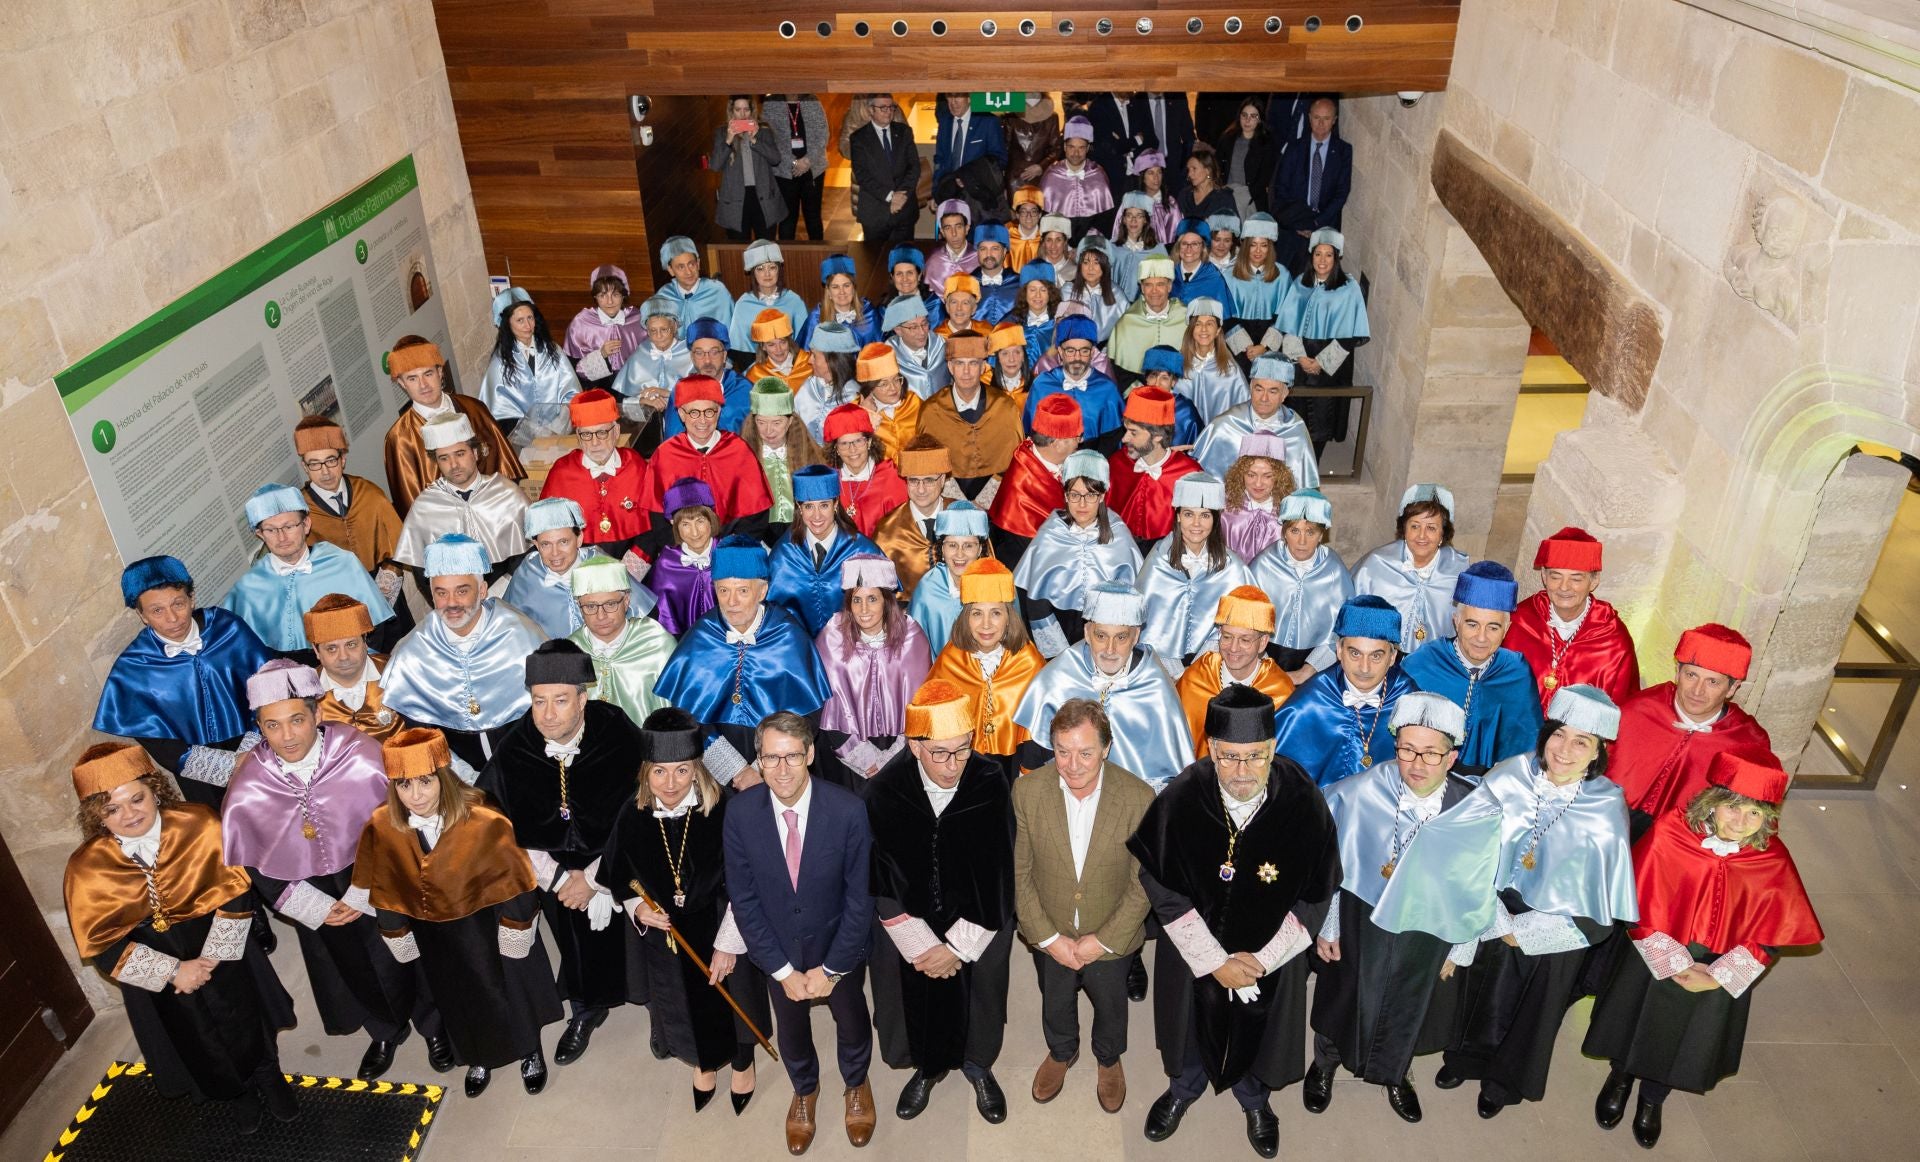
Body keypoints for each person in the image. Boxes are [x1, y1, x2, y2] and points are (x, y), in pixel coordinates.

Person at [1390, 686, 1636, 1119]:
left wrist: (1524, 933)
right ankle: (1462, 1060)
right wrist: (1495, 917)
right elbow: (1464, 850)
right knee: (1473, 995)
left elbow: (1600, 905)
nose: (1565, 749)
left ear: (1598, 752)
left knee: (1529, 1011)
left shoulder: (1606, 806)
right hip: (1490, 909)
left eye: (1582, 742)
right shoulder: (1509, 775)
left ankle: (1503, 1083)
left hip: (1555, 928)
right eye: (1559, 735)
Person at [1128, 685, 1338, 1159]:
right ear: (1212, 750)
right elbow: (1158, 880)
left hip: (1268, 957)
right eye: (1228, 758)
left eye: (1255, 757)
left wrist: (1261, 962)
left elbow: (1317, 892)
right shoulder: (1183, 794)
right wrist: (1211, 959)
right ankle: (1183, 1088)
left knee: (1257, 1032)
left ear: (1272, 749)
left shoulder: (1303, 800)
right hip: (1194, 952)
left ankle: (1255, 1101)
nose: (1242, 772)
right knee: (1188, 1025)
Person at [1582, 752, 1823, 1149]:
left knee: (1684, 1034)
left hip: (1718, 967)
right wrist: (1671, 960)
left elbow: (1773, 932)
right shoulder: (1669, 833)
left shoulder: (1771, 859)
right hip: (1654, 954)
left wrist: (1717, 975)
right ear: (1712, 801)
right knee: (1633, 1019)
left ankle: (1653, 1097)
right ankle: (1621, 1076)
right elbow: (1634, 900)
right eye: (1732, 808)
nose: (1740, 823)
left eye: (1753, 814)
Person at [223, 659, 440, 1081]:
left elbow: (401, 824)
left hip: (378, 875)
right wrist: (313, 906)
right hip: (313, 891)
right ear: (259, 728)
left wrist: (363, 891)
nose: (286, 737)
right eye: (272, 726)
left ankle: (434, 1024)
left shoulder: (359, 753)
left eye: (296, 721)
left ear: (317, 715)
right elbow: (255, 861)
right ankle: (383, 1028)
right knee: (352, 964)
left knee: (407, 948)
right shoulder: (250, 783)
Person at [63, 742, 299, 1132]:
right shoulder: (86, 869)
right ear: (97, 816)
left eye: (136, 799)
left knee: (248, 1016)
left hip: (223, 945)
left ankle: (269, 1076)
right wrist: (174, 971)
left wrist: (216, 955)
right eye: (112, 809)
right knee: (196, 1036)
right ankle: (237, 1093)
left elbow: (238, 891)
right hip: (159, 965)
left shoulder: (199, 824)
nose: (129, 814)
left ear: (155, 790)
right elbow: (102, 946)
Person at [353, 727, 563, 1098]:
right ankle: (477, 1054)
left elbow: (515, 879)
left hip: (488, 924)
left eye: (425, 783)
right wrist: (395, 931)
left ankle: (529, 1049)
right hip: (435, 932)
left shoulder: (483, 817)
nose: (415, 796)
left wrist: (515, 927)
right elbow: (384, 888)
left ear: (443, 777)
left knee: (511, 989)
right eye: (404, 786)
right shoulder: (383, 826)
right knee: (456, 996)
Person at [1304, 692, 1479, 1124]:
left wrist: (1460, 948)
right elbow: (1329, 866)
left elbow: (1479, 884)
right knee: (1345, 991)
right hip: (1362, 919)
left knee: (1409, 1000)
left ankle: (1395, 1071)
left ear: (1453, 757)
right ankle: (1325, 1061)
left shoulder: (1474, 808)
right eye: (1406, 749)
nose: (1417, 764)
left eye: (1432, 753)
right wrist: (1329, 924)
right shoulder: (1358, 793)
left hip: (1428, 927)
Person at [479, 640, 643, 1067]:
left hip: (617, 858)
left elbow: (642, 806)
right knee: (576, 945)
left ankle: (660, 1011)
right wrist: (556, 877)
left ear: (583, 699)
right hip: (552, 868)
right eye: (538, 701)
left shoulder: (616, 731)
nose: (548, 714)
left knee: (640, 940)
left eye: (560, 701)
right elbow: (492, 815)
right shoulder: (517, 745)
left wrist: (597, 876)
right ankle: (586, 1010)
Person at [722, 713, 879, 1154]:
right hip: (777, 950)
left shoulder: (848, 810)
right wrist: (781, 970)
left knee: (851, 1021)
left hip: (838, 946)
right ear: (759, 759)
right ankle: (804, 1090)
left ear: (810, 754)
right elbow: (745, 900)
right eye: (771, 758)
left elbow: (859, 898)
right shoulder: (740, 814)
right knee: (790, 1030)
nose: (783, 769)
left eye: (793, 756)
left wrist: (833, 968)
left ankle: (856, 1082)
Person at [601, 708, 769, 1113]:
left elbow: (747, 882)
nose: (670, 783)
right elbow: (618, 872)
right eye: (659, 772)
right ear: (646, 772)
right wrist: (638, 907)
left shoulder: (725, 810)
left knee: (734, 993)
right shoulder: (633, 813)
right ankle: (704, 1060)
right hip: (667, 933)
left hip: (723, 921)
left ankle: (743, 1061)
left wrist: (730, 943)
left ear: (697, 768)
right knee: (682, 1000)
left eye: (681, 771)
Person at [865, 681, 1016, 1123]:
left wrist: (956, 948)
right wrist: (922, 947)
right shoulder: (885, 791)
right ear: (914, 745)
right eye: (940, 753)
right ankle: (927, 1069)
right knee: (917, 999)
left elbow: (1000, 867)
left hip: (979, 917)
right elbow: (879, 875)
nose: (953, 766)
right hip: (912, 922)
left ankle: (978, 1065)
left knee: (981, 993)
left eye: (963, 750)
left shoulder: (988, 781)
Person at [1013, 699, 1153, 1113]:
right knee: (1054, 999)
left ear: (1106, 748)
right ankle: (1062, 1051)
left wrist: (1104, 941)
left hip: (1112, 933)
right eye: (1062, 751)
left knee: (1111, 1004)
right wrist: (1049, 937)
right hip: (1050, 929)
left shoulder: (1138, 797)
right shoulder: (1027, 791)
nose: (1072, 764)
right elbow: (1020, 873)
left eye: (1085, 752)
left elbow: (1142, 884)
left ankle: (1108, 1059)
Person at [96, 556, 273, 807]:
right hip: (198, 771)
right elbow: (159, 742)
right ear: (142, 615)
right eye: (157, 611)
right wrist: (226, 768)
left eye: (178, 603)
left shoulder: (227, 628)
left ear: (192, 599)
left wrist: (251, 751)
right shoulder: (134, 667)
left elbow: (267, 684)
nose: (172, 618)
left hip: (256, 741)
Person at [654, 537, 832, 780]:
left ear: (762, 591)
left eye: (742, 591)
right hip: (715, 772)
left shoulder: (789, 636)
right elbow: (687, 716)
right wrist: (735, 770)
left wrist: (763, 767)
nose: (732, 602)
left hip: (779, 769)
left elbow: (807, 716)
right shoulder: (702, 634)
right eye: (723, 590)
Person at [380, 534, 544, 771]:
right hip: (453, 771)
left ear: (482, 590)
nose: (451, 603)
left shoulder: (521, 635)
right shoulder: (412, 652)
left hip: (524, 761)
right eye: (441, 592)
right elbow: (418, 730)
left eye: (462, 591)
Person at [1014, 582, 1195, 790]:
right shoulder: (1057, 677)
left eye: (1121, 637)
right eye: (1101, 636)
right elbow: (1032, 762)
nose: (1110, 649)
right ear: (1087, 633)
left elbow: (1172, 775)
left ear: (1135, 636)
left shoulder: (1156, 687)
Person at [1608, 624, 1769, 836]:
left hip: (1682, 848)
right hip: (1610, 828)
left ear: (1732, 688)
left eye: (1712, 682)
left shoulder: (1748, 743)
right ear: (1677, 672)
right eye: (1691, 675)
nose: (1697, 691)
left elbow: (1746, 822)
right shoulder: (1634, 711)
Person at [1400, 562, 1545, 773]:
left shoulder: (1517, 671)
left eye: (1493, 627)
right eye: (1472, 624)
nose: (1481, 637)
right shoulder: (1421, 664)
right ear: (1455, 621)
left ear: (1507, 629)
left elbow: (1527, 748)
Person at [221, 484, 394, 654]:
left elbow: (376, 629)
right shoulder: (248, 588)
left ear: (306, 525)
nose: (281, 537)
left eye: (289, 527)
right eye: (271, 530)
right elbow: (243, 653)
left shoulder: (342, 563)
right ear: (260, 534)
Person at [1272, 596, 1416, 787]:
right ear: (1339, 650)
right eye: (1355, 653)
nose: (1364, 668)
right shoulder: (1309, 703)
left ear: (1392, 657)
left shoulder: (1410, 701)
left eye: (1376, 656)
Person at [1014, 451, 1143, 656]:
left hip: (1105, 639)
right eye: (1075, 495)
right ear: (1065, 495)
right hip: (1057, 636)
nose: (1082, 504)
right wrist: (1059, 653)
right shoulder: (1050, 534)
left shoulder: (1119, 536)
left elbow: (1131, 600)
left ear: (1102, 496)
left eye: (1090, 495)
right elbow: (1035, 599)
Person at [816, 556, 932, 783]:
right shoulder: (832, 636)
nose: (863, 609)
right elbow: (827, 707)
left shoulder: (911, 635)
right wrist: (865, 759)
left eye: (872, 599)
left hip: (903, 749)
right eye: (856, 600)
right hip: (845, 752)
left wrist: (894, 757)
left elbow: (922, 703)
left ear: (887, 601)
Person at [381, 337, 525, 516]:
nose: (423, 385)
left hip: (495, 512)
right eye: (412, 378)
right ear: (402, 383)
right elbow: (414, 509)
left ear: (440, 371)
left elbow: (506, 468)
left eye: (428, 373)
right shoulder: (400, 438)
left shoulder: (474, 409)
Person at [1506, 527, 1642, 709]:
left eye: (1576, 579)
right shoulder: (1519, 620)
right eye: (1556, 577)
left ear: (1594, 581)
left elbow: (1620, 710)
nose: (1564, 587)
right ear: (1544, 576)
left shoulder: (1614, 641)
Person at [925, 559, 1046, 760]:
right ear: (966, 618)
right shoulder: (950, 659)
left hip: (1013, 764)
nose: (986, 624)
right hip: (961, 764)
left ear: (1009, 618)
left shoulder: (1029, 662)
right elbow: (932, 719)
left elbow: (1040, 725)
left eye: (996, 613)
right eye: (977, 613)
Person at [392, 413, 532, 582]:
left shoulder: (507, 493)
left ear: (475, 453)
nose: (454, 465)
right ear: (436, 461)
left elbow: (527, 554)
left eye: (460, 454)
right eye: (444, 458)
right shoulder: (425, 507)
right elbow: (423, 573)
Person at [636, 375, 774, 543]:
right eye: (694, 412)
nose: (702, 420)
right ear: (681, 414)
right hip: (681, 549)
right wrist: (684, 548)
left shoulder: (738, 449)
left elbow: (756, 514)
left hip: (733, 546)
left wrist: (733, 545)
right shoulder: (666, 454)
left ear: (719, 412)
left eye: (709, 411)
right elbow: (656, 516)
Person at [1137, 473, 1253, 670]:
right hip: (1161, 663)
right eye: (1189, 514)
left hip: (1215, 661)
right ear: (1178, 516)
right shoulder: (1158, 560)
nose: (1196, 524)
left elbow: (1241, 623)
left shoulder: (1232, 567)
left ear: (1216, 520)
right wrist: (1172, 669)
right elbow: (1146, 623)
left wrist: (1200, 667)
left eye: (1205, 515)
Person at [1270, 229, 1369, 453]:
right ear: (1311, 256)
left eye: (1328, 255)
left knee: (1322, 420)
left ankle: (1315, 463)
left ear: (1337, 258)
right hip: (1300, 361)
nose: (1322, 260)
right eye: (1318, 254)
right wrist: (1301, 358)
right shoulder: (1299, 284)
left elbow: (1350, 334)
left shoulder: (1349, 288)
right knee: (1296, 415)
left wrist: (1320, 363)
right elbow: (1288, 324)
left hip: (1330, 365)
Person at [1174, 587, 1296, 757]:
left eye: (1245, 640)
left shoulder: (1281, 691)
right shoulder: (1196, 678)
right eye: (1227, 637)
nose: (1233, 648)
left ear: (1263, 643)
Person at [1352, 484, 1472, 654]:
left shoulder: (1460, 571)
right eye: (1415, 526)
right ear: (1404, 530)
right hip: (1379, 661)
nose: (1422, 536)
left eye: (1431, 528)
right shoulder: (1374, 565)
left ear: (1442, 534)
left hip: (1437, 662)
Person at [1248, 488, 1354, 678]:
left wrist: (1307, 671)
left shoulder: (1334, 572)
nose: (1302, 541)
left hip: (1315, 664)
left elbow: (1341, 631)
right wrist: (1262, 664)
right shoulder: (1264, 564)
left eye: (1310, 532)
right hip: (1262, 657)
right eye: (1294, 530)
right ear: (1284, 532)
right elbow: (1246, 621)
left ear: (1322, 535)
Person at [768, 465, 884, 637]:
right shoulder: (784, 555)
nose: (817, 516)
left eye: (824, 505)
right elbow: (773, 615)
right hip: (800, 653)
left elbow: (884, 607)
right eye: (808, 506)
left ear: (835, 504)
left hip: (853, 651)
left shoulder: (862, 551)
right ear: (799, 508)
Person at [294, 414, 405, 587]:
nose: (325, 472)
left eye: (331, 461)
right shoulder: (299, 511)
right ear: (304, 467)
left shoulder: (369, 494)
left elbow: (398, 548)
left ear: (342, 460)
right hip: (334, 595)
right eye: (314, 464)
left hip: (384, 588)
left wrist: (383, 593)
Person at [503, 498, 639, 640]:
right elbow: (510, 625)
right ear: (536, 544)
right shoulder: (527, 574)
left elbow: (645, 613)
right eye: (546, 544)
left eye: (563, 542)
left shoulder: (605, 567)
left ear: (579, 538)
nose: (555, 553)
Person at [915, 331, 1025, 499]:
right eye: (959, 363)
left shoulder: (1005, 407)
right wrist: (957, 503)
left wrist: (986, 499)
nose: (966, 372)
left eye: (973, 363)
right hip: (948, 502)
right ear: (950, 367)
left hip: (998, 502)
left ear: (983, 367)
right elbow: (925, 465)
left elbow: (1016, 461)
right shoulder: (931, 410)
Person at [538, 388, 649, 554]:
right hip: (578, 559)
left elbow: (653, 527)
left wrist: (633, 567)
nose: (595, 442)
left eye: (602, 432)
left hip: (632, 557)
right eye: (586, 435)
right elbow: (548, 532)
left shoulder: (636, 465)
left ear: (616, 431)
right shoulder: (562, 471)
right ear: (577, 436)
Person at [568, 557, 677, 725]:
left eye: (610, 604)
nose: (601, 615)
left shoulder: (656, 643)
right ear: (579, 607)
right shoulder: (570, 651)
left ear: (626, 601)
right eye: (590, 607)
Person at [1191, 355, 1319, 487]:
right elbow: (1202, 482)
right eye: (1259, 389)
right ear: (1250, 388)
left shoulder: (1295, 429)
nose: (1264, 398)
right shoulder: (1225, 426)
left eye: (1272, 392)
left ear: (1284, 395)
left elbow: (1306, 490)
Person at [986, 394, 1082, 565]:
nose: (1080, 442)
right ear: (1058, 444)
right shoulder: (1023, 486)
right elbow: (1034, 555)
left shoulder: (1037, 456)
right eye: (1077, 437)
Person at [1106, 386, 1203, 543]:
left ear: (1157, 436)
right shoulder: (1117, 464)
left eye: (1134, 432)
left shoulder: (1190, 475)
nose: (1124, 439)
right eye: (1126, 430)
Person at [304, 594, 404, 742]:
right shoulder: (303, 692)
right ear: (316, 651)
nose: (343, 657)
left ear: (365, 642)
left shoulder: (400, 672)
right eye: (331, 648)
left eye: (351, 644)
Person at [479, 288, 582, 431]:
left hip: (560, 430)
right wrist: (535, 431)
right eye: (520, 320)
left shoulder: (553, 350)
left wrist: (558, 425)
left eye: (530, 318)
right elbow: (500, 412)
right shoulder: (500, 363)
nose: (527, 326)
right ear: (507, 324)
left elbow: (572, 392)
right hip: (523, 437)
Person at [1270, 98, 1352, 268]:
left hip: (1324, 226)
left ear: (1334, 120)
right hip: (1293, 227)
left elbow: (1341, 193)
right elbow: (1281, 188)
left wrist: (1316, 223)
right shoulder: (1294, 148)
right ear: (1309, 117)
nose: (1321, 123)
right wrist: (1298, 223)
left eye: (1326, 118)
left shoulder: (1343, 151)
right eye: (1316, 117)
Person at [870, 436, 953, 598]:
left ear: (942, 480)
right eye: (914, 481)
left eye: (929, 480)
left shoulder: (965, 519)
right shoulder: (887, 532)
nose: (921, 490)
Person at [1025, 316, 1123, 452]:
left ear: (1092, 352)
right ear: (1060, 351)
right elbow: (1031, 434)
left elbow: (1113, 440)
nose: (1077, 358)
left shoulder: (1107, 389)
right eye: (1070, 351)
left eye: (1084, 351)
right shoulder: (1042, 385)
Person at [907, 502, 991, 657]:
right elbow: (914, 653)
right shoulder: (927, 590)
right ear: (942, 549)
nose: (960, 555)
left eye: (968, 546)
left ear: (979, 549)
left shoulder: (996, 585)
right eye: (952, 545)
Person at [743, 377, 823, 533]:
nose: (768, 430)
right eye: (761, 422)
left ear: (790, 421)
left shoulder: (811, 458)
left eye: (776, 423)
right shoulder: (743, 459)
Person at [643, 478, 721, 636]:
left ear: (711, 520)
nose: (695, 533)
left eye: (700, 521)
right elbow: (664, 620)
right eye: (685, 524)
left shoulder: (729, 554)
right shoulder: (667, 564)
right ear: (673, 524)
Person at [661, 320, 755, 440]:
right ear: (692, 357)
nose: (707, 361)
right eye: (699, 353)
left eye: (714, 352)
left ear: (725, 355)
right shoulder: (682, 389)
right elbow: (673, 440)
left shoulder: (745, 389)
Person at [712, 94, 786, 242]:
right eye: (738, 110)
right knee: (739, 247)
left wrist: (755, 140)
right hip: (735, 200)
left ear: (752, 111)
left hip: (763, 197)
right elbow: (715, 165)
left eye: (746, 109)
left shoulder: (763, 131)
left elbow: (776, 159)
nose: (742, 114)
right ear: (731, 111)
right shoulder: (722, 133)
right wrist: (728, 140)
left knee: (766, 246)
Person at [849, 93, 921, 245]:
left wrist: (901, 196)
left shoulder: (904, 132)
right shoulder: (859, 138)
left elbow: (914, 167)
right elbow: (862, 175)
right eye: (882, 108)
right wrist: (890, 197)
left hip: (904, 210)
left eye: (891, 107)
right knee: (876, 261)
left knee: (904, 258)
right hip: (876, 213)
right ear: (870, 110)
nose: (888, 111)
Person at [564, 265, 648, 389]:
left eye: (615, 295)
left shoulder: (637, 319)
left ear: (624, 295)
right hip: (598, 389)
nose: (609, 302)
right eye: (603, 295)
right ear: (595, 297)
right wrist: (601, 354)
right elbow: (573, 369)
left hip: (635, 386)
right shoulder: (581, 323)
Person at [1219, 433, 1298, 562]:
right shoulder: (1224, 509)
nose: (1258, 483)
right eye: (1251, 475)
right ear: (1240, 475)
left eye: (1267, 476)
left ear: (1279, 477)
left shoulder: (1290, 513)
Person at [1107, 257, 1190, 376]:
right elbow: (1119, 373)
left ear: (1170, 286)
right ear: (1142, 288)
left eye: (1160, 284)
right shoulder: (1127, 322)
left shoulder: (1186, 319)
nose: (1154, 291)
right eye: (1148, 285)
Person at [1172, 298, 1250, 423]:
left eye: (1210, 323)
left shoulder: (1230, 370)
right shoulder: (1178, 364)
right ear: (1191, 329)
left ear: (1218, 330)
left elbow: (1244, 410)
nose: (1204, 329)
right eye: (1198, 323)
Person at [729, 241, 810, 356]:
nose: (767, 274)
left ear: (779, 270)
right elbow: (739, 349)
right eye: (760, 269)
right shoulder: (743, 304)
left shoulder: (794, 301)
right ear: (753, 273)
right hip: (754, 367)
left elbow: (804, 343)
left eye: (772, 267)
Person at [613, 294, 695, 407]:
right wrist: (642, 402)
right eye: (653, 331)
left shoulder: (690, 353)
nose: (659, 336)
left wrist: (669, 394)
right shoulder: (639, 354)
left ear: (675, 327)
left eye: (664, 329)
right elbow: (621, 400)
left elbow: (701, 394)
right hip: (650, 420)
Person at [766, 94, 829, 241]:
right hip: (784, 172)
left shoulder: (812, 100)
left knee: (813, 218)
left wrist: (807, 160)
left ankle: (818, 256)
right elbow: (770, 139)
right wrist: (793, 162)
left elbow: (823, 134)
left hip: (813, 169)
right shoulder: (771, 103)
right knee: (787, 219)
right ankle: (787, 258)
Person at [1041, 117, 1116, 235]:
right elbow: (1045, 220)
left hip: (1091, 242)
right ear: (1065, 147)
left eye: (1081, 148)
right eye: (1071, 147)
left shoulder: (1098, 174)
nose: (1076, 153)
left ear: (1088, 149)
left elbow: (1105, 219)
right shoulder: (1051, 175)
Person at [933, 91, 1009, 203]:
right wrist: (936, 192)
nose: (953, 102)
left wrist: (968, 177)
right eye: (949, 97)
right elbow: (940, 160)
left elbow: (1000, 159)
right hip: (949, 194)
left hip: (979, 197)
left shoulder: (988, 121)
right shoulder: (945, 122)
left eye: (957, 96)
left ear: (969, 98)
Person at [852, 342, 920, 462]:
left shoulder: (914, 402)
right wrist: (864, 418)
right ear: (870, 387)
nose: (893, 388)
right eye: (884, 384)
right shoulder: (853, 412)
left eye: (896, 380)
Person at [654, 235, 734, 328]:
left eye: (691, 264)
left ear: (698, 263)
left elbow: (732, 331)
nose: (688, 272)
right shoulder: (663, 298)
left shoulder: (717, 292)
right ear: (671, 270)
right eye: (681, 267)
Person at [1225, 215, 1288, 331]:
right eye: (1253, 245)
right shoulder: (1229, 275)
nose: (1258, 251)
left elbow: (1286, 316)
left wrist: (1264, 346)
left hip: (1270, 340)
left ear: (1270, 247)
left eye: (1264, 245)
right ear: (1245, 246)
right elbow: (1225, 317)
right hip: (1237, 340)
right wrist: (1245, 346)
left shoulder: (1282, 275)